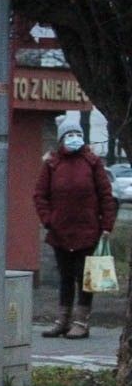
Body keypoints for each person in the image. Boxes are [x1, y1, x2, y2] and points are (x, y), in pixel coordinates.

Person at [33, 117, 116, 340]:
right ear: (61, 139)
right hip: (60, 232)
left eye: (78, 134)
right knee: (66, 277)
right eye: (69, 135)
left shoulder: (92, 162)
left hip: (88, 231)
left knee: (84, 277)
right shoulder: (51, 164)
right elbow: (40, 195)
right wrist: (48, 220)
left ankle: (81, 321)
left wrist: (107, 225)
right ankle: (63, 320)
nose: (74, 138)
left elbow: (106, 196)